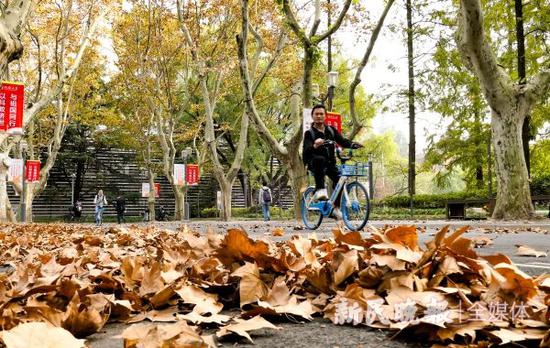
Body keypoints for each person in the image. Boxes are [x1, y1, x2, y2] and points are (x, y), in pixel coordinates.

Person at [302, 104, 363, 219]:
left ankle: (335, 208)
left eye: (321, 114)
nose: (319, 116)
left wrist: (353, 145)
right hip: (314, 163)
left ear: (325, 116)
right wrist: (315, 145)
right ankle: (320, 190)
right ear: (312, 116)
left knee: (340, 180)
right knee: (320, 159)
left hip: (330, 163)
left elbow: (342, 141)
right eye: (316, 114)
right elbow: (306, 151)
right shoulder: (309, 133)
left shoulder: (331, 130)